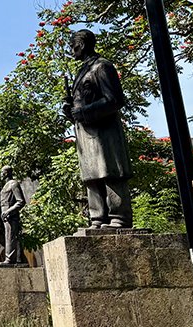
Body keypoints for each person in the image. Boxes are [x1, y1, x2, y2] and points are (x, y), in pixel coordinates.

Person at [63, 29, 133, 229]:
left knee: (110, 171)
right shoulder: (82, 71)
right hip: (86, 134)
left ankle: (119, 216)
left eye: (73, 45)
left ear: (82, 45)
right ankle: (98, 217)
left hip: (104, 132)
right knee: (92, 175)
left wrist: (84, 112)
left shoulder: (102, 67)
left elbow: (114, 100)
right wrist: (71, 110)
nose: (71, 50)